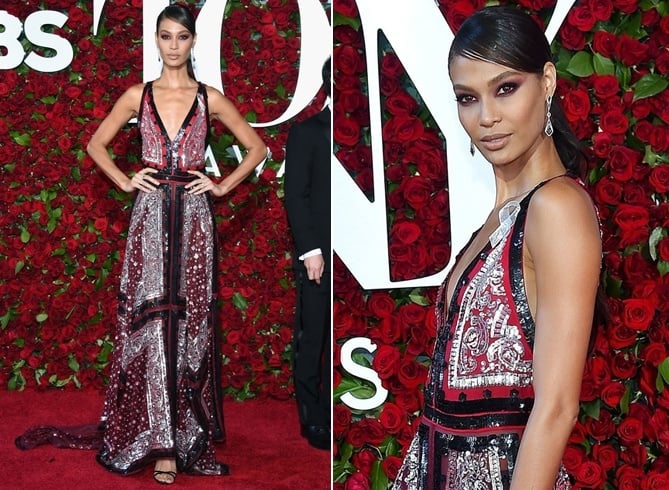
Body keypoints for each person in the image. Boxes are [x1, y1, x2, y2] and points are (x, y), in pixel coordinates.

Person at [16, 4, 266, 486]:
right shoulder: (137, 95)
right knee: (151, 324)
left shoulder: (210, 98)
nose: (173, 46)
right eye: (166, 37)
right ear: (156, 40)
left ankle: (180, 434)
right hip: (150, 218)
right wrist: (126, 182)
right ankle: (157, 441)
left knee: (189, 325)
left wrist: (221, 185)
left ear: (194, 43)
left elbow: (257, 147)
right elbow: (95, 144)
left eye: (182, 38)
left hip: (193, 219)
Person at [392, 6, 602, 489]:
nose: (487, 117)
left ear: (547, 82)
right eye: (468, 98)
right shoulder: (501, 217)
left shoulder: (557, 207)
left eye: (506, 89)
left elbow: (556, 407)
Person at [283, 58, 331, 450]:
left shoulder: (362, 137)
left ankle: (335, 413)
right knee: (313, 336)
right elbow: (295, 195)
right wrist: (310, 251)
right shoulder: (307, 132)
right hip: (319, 255)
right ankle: (312, 419)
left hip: (356, 259)